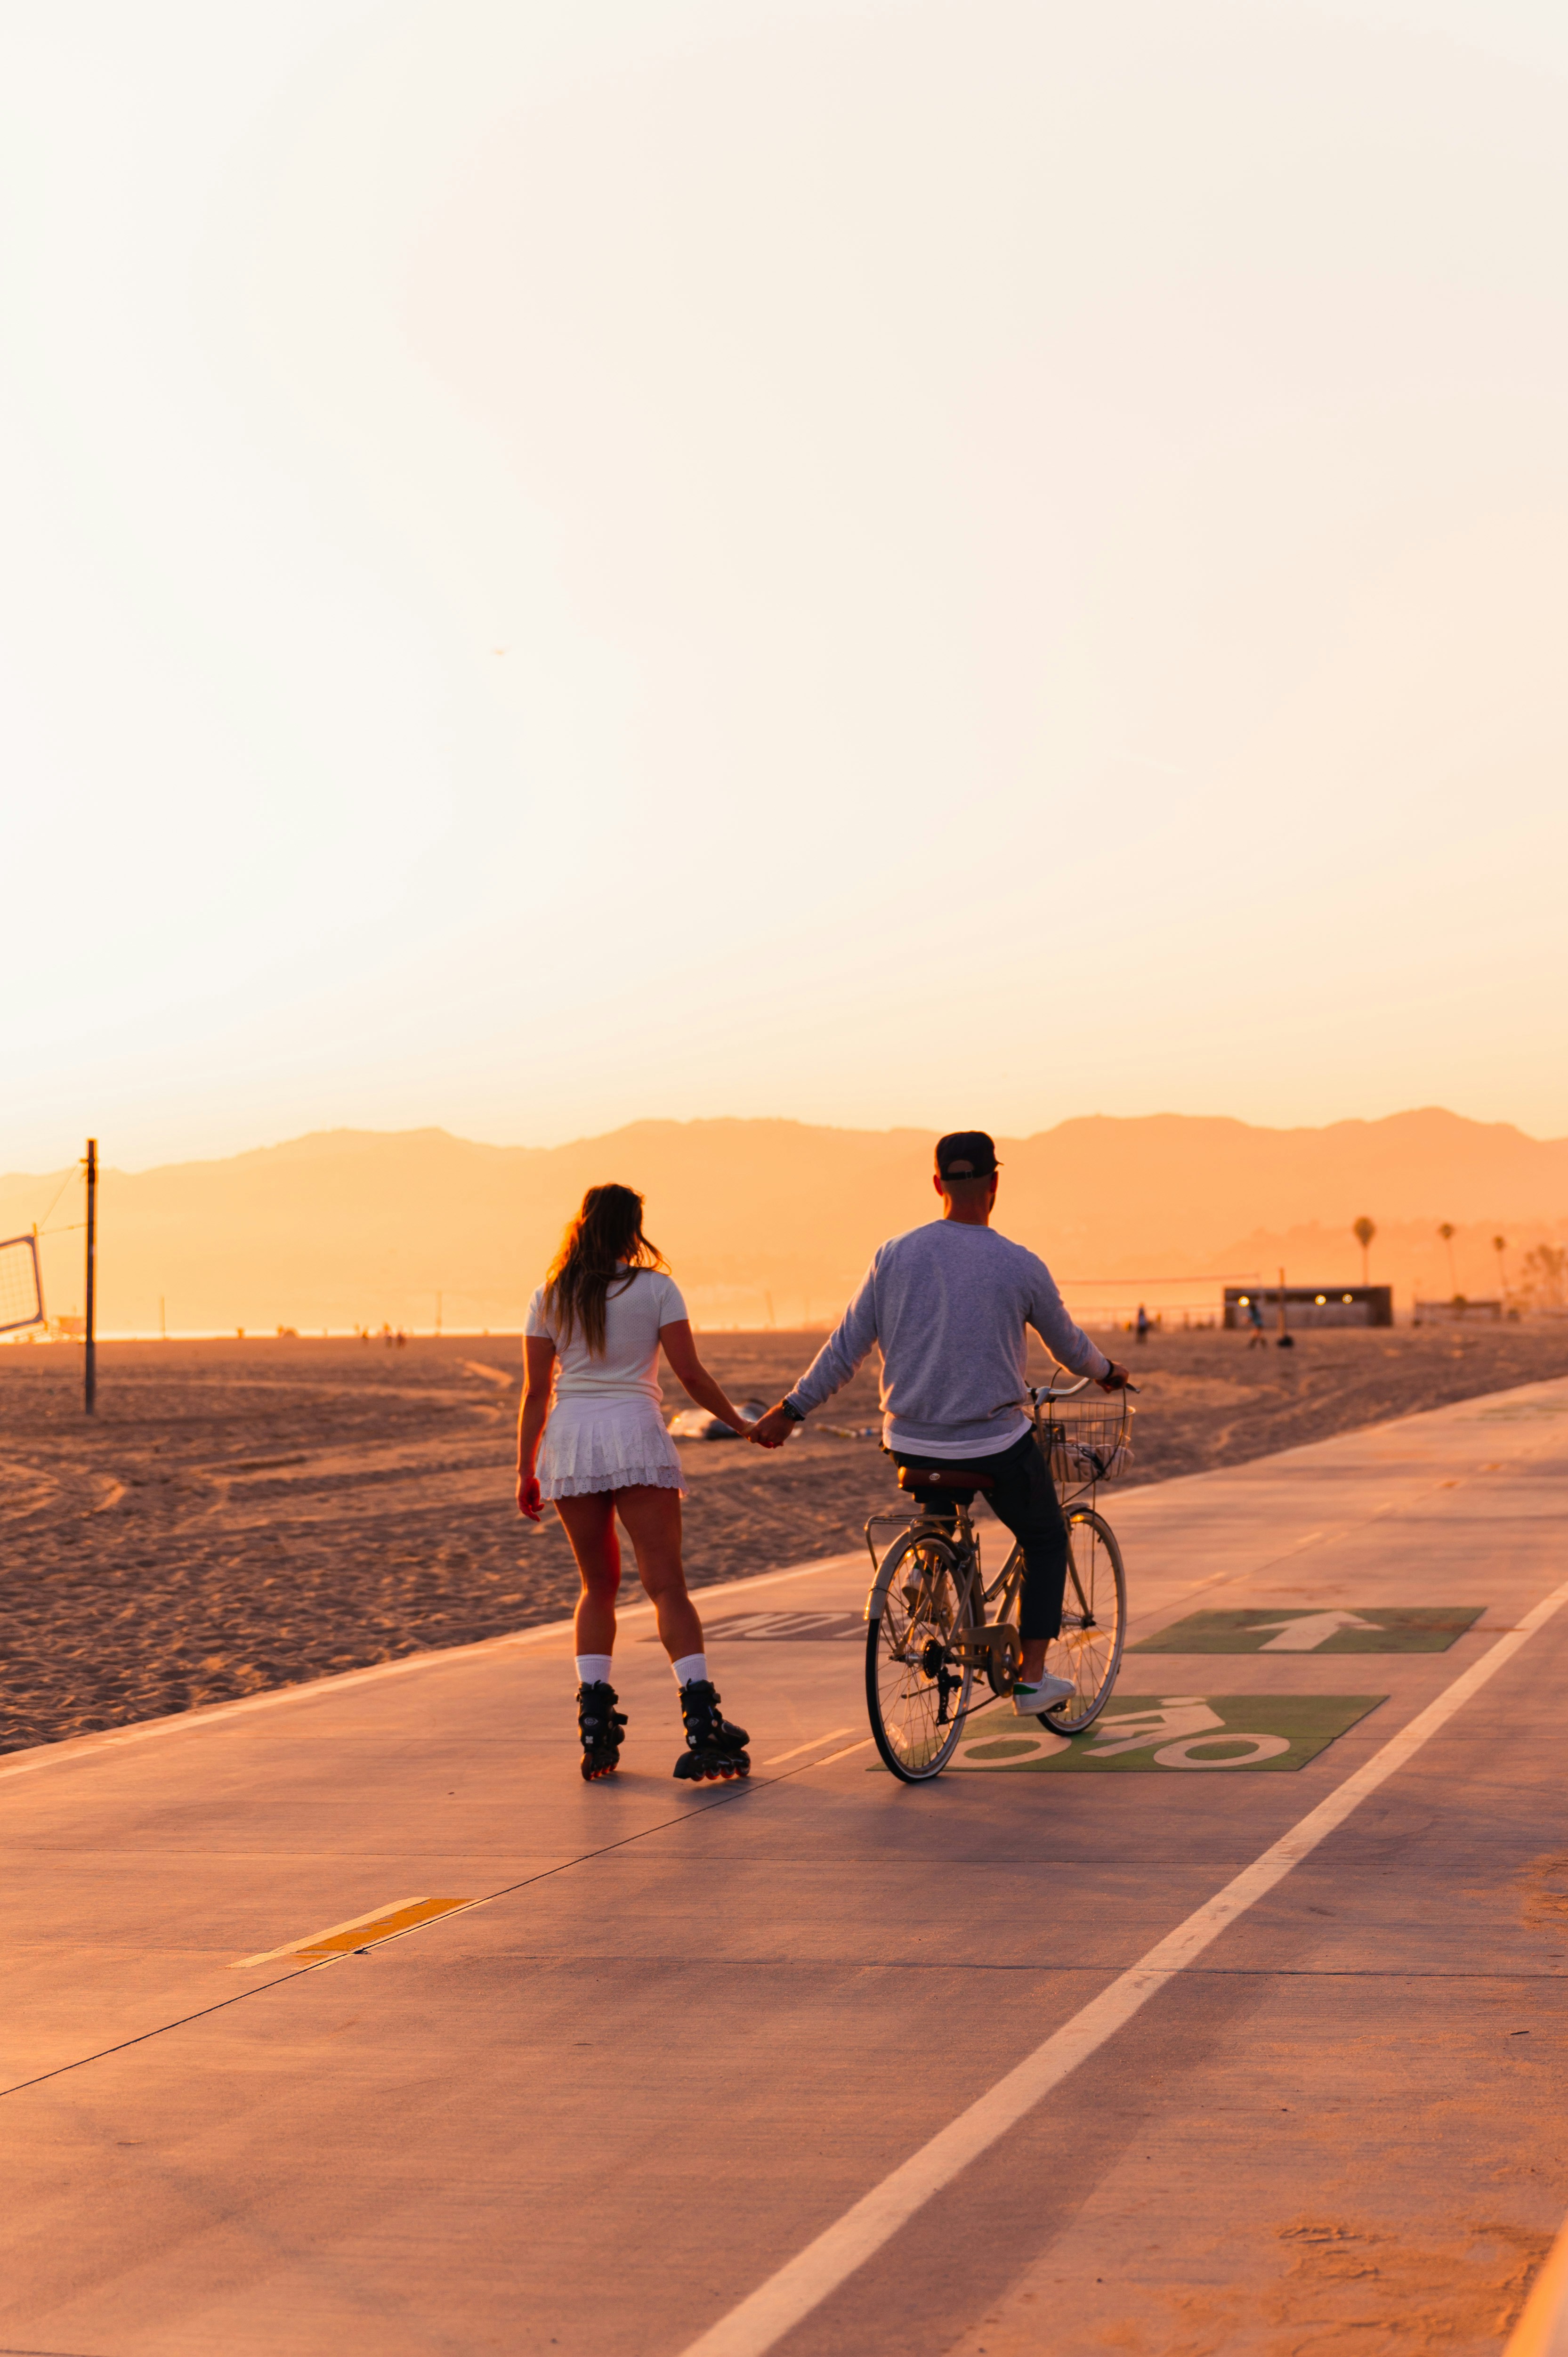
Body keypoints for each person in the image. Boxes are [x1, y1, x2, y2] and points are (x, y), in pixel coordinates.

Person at [750, 1132, 1129, 1717]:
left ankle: (929, 1571)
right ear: (995, 1185)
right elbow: (1071, 1347)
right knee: (1047, 1536)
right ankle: (1031, 1679)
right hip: (993, 1443)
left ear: (937, 1186)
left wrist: (792, 1410)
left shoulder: (894, 1255)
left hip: (909, 1441)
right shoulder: (1020, 1263)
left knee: (942, 1498)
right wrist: (1106, 1372)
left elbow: (845, 1349)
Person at [517, 1183, 755, 1783]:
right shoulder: (655, 1288)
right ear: (633, 1228)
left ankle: (596, 1725)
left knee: (597, 1586)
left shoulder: (550, 1294)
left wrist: (526, 1468)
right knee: (666, 1585)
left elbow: (535, 1393)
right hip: (636, 1434)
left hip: (570, 1444)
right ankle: (701, 1720)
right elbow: (691, 1375)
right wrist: (741, 1425)